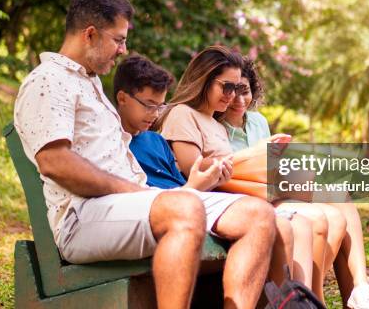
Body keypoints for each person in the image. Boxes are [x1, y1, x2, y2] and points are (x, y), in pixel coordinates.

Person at [13, 0, 279, 309]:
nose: (124, 49)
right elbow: (55, 162)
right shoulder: (49, 81)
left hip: (131, 205)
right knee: (184, 208)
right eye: (119, 39)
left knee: (258, 216)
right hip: (81, 217)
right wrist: (136, 192)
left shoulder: (89, 83)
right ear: (91, 34)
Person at [154, 45, 338, 304]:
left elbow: (230, 171)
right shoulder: (183, 114)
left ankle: (300, 301)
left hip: (231, 200)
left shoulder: (215, 122)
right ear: (204, 80)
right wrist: (256, 155)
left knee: (305, 223)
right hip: (203, 203)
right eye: (226, 87)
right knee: (286, 225)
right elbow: (196, 171)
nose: (231, 96)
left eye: (237, 88)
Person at [113, 53, 311, 287]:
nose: (155, 114)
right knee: (276, 219)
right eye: (149, 105)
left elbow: (181, 182)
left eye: (159, 106)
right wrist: (254, 156)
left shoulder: (157, 141)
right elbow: (185, 177)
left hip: (197, 200)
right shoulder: (117, 141)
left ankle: (296, 300)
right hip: (179, 207)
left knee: (294, 219)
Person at [220, 56, 369, 309]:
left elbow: (274, 168)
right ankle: (311, 298)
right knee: (326, 219)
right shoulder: (215, 126)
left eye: (245, 91)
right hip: (250, 198)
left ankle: (361, 289)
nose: (239, 100)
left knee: (339, 195)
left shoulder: (258, 122)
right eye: (232, 91)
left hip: (274, 190)